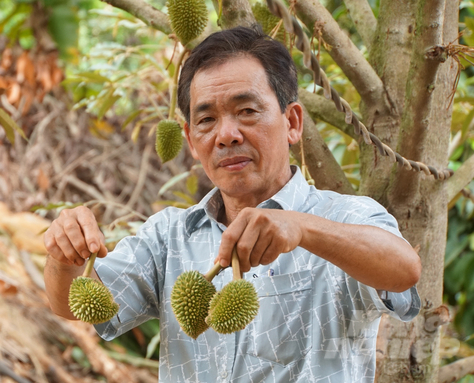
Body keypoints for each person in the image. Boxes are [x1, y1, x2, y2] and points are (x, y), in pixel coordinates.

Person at [43, 26, 421, 382]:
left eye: (246, 111)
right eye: (207, 119)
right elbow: (74, 306)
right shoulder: (169, 236)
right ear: (190, 140)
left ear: (292, 122)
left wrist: (302, 229)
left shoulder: (344, 217)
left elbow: (403, 271)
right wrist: (64, 256)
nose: (226, 135)